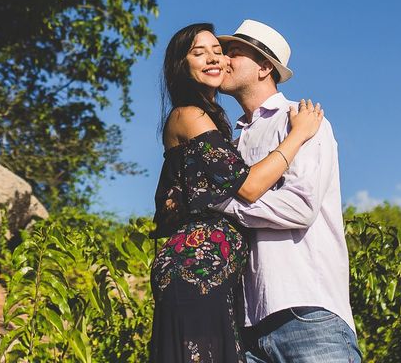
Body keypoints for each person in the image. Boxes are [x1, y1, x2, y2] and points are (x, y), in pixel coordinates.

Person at [150, 23, 325, 363]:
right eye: (200, 53)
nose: (217, 59)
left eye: (219, 51)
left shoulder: (218, 125)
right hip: (196, 272)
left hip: (213, 278)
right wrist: (298, 135)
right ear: (181, 66)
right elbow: (249, 185)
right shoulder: (191, 115)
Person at [217, 19, 361, 363]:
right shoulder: (234, 142)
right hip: (249, 325)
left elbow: (299, 206)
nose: (223, 60)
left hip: (308, 313)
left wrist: (221, 204)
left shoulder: (302, 120)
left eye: (234, 52)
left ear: (265, 66)